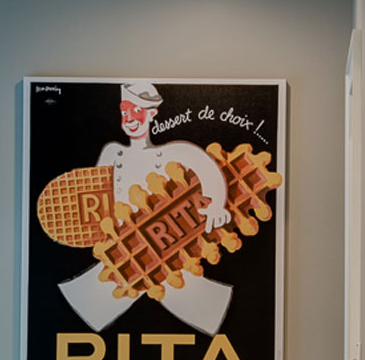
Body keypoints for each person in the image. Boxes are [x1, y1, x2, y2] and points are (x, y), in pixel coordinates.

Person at [58, 82, 234, 335]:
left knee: (198, 302)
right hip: (121, 250)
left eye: (137, 111)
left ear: (152, 114)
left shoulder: (172, 152)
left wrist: (217, 204)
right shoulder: (112, 152)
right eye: (125, 111)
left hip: (167, 247)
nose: (130, 118)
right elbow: (94, 197)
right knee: (90, 299)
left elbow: (204, 165)